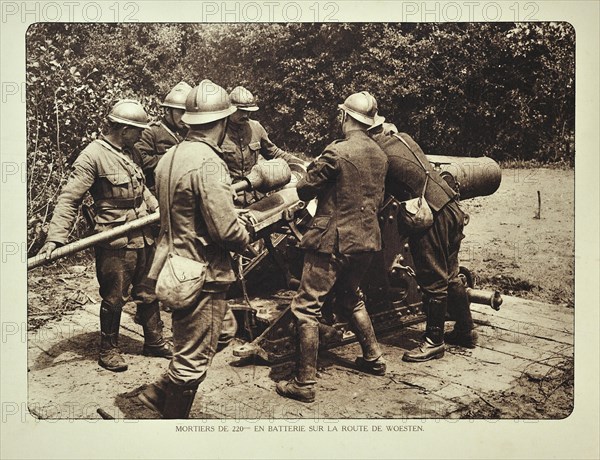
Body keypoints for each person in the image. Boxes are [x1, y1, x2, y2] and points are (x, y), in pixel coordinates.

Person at [138, 80, 251, 419]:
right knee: (192, 360)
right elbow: (226, 230)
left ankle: (159, 391)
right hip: (204, 272)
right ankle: (173, 429)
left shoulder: (170, 156)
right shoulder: (209, 163)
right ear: (221, 122)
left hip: (175, 265)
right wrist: (246, 233)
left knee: (219, 332)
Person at [37, 100, 172, 372]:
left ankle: (154, 341)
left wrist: (157, 206)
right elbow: (69, 199)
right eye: (138, 130)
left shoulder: (130, 151)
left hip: (142, 234)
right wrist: (55, 239)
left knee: (148, 289)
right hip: (115, 241)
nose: (142, 135)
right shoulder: (92, 156)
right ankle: (108, 349)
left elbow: (140, 189)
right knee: (114, 296)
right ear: (123, 130)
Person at [275, 91, 389, 404]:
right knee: (351, 297)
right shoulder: (380, 154)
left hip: (332, 242)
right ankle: (373, 357)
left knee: (305, 307)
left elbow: (304, 187)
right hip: (367, 242)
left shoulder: (336, 152)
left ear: (344, 116)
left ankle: (304, 383)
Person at [369, 110, 476, 363]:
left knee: (432, 278)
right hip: (450, 207)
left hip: (431, 215)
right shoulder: (403, 138)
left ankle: (434, 342)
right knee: (451, 273)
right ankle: (465, 330)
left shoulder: (377, 154)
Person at [222, 85, 304, 206]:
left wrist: (300, 163)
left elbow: (275, 153)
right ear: (231, 109)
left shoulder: (256, 128)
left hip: (256, 198)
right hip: (230, 200)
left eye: (248, 111)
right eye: (241, 111)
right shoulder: (219, 131)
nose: (246, 115)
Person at [134, 81, 192, 191]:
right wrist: (174, 157)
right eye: (181, 112)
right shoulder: (151, 132)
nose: (185, 117)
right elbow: (141, 161)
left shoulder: (188, 132)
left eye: (188, 112)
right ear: (167, 111)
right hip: (159, 192)